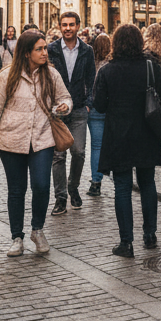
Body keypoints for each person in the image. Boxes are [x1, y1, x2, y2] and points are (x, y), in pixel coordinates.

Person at [0, 30, 72, 256]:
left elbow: (65, 97)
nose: (45, 52)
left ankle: (37, 229)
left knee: (41, 186)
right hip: (11, 141)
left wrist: (65, 105)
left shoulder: (51, 75)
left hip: (42, 139)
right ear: (26, 53)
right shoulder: (7, 76)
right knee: (16, 190)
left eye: (45, 48)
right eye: (39, 49)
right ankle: (16, 237)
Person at [95, 24, 161, 257]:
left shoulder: (107, 70)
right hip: (146, 133)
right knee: (147, 184)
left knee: (123, 188)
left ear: (115, 44)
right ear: (140, 42)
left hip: (119, 135)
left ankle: (126, 242)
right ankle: (150, 235)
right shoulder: (151, 67)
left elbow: (99, 105)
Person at [47, 11, 96, 216]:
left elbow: (92, 80)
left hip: (78, 110)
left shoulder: (87, 51)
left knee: (78, 152)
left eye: (71, 25)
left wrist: (88, 104)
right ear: (60, 27)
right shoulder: (50, 50)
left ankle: (73, 186)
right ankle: (60, 198)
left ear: (78, 26)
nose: (67, 28)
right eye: (64, 25)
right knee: (58, 156)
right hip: (57, 111)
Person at [86, 33, 111, 198]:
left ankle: (96, 182)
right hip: (109, 109)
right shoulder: (112, 64)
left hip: (93, 108)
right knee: (109, 145)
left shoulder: (90, 64)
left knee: (96, 146)